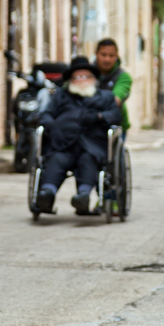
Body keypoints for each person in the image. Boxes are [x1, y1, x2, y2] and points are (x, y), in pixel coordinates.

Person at [35, 56, 122, 215]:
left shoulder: (105, 97)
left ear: (94, 79)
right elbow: (46, 115)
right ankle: (47, 194)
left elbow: (116, 115)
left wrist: (99, 117)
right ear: (70, 80)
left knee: (87, 160)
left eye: (86, 76)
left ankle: (82, 196)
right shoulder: (60, 96)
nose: (81, 80)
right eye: (77, 77)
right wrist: (52, 126)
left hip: (92, 145)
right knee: (56, 160)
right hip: (62, 143)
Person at [95, 38, 132, 135]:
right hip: (91, 124)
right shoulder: (88, 73)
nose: (107, 59)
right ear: (96, 54)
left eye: (111, 55)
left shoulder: (123, 77)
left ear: (116, 56)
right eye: (103, 55)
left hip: (115, 126)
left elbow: (116, 100)